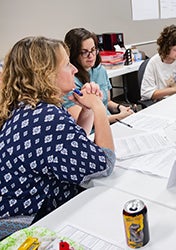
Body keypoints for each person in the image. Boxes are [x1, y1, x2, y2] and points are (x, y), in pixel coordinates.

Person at [0, 36, 115, 239]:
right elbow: (104, 163)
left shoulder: (31, 107)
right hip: (29, 224)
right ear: (46, 74)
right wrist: (98, 105)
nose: (74, 70)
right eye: (67, 64)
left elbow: (71, 145)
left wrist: (87, 110)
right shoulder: (47, 117)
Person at [63, 28, 133, 131]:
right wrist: (119, 117)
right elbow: (81, 121)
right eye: (84, 52)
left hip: (111, 125)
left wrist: (120, 108)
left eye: (93, 50)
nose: (91, 56)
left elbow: (107, 101)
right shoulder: (69, 81)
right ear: (73, 54)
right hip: (92, 132)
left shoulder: (100, 70)